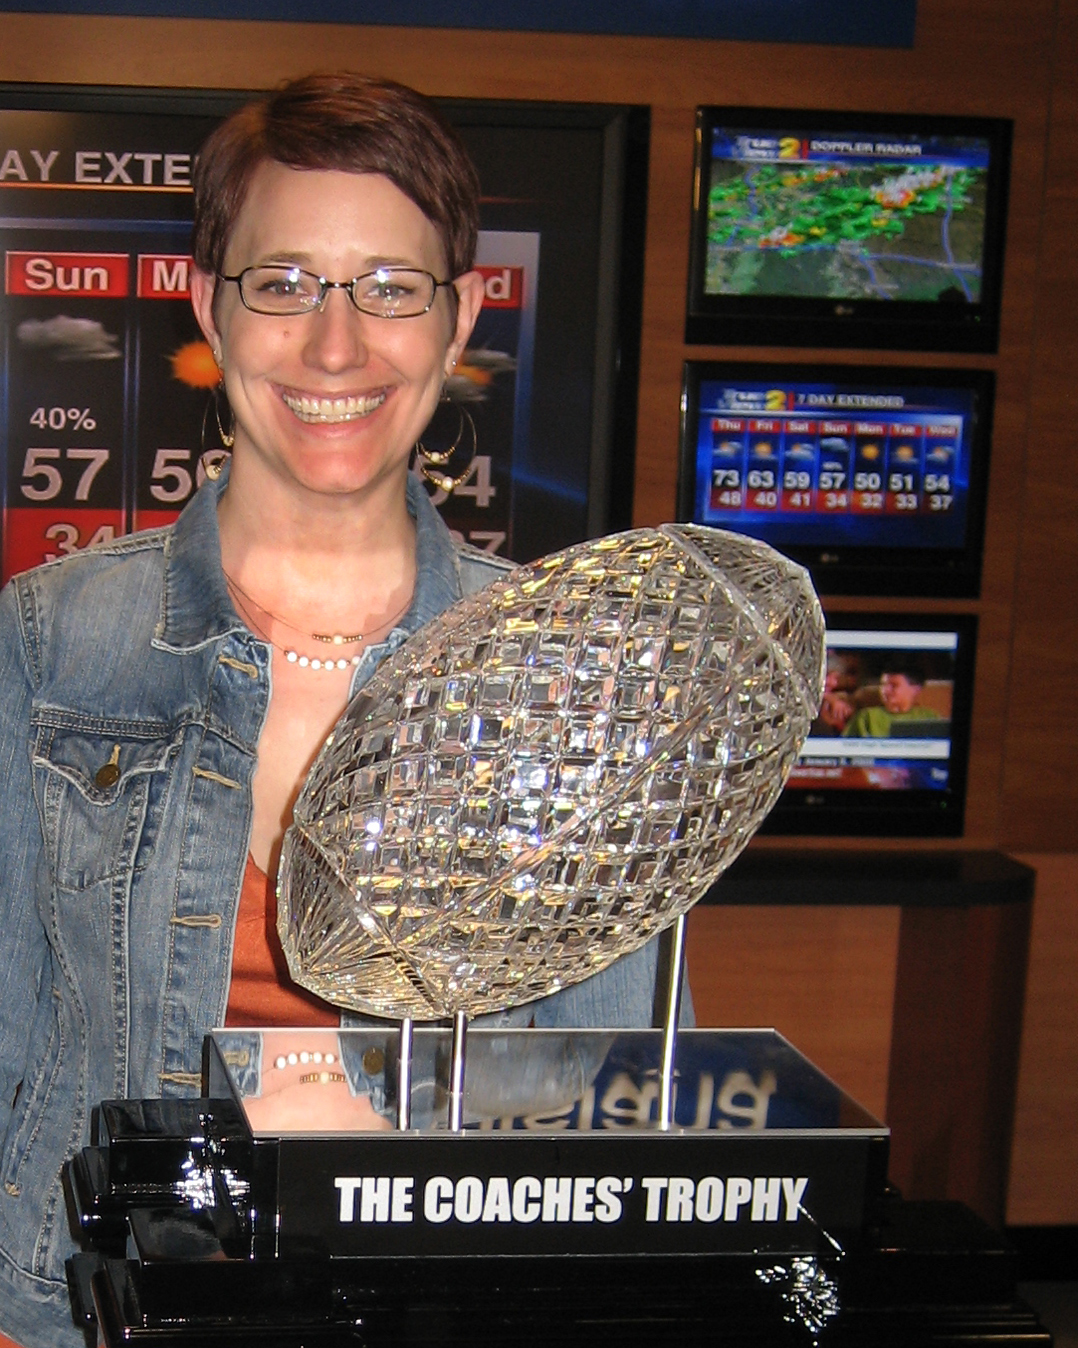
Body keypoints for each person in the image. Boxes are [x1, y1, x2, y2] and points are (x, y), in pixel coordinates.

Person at [0, 74, 671, 1348]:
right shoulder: (47, 640)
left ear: (460, 316)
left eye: (391, 287)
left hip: (443, 1314)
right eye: (286, 282)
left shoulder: (570, 679)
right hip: (90, 1315)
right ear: (208, 305)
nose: (335, 346)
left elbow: (611, 1096)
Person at [842, 658, 942, 738]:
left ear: (915, 689)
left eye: (894, 685)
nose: (885, 690)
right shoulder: (866, 716)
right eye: (883, 684)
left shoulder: (928, 717)